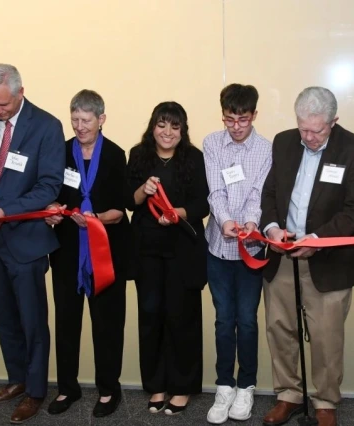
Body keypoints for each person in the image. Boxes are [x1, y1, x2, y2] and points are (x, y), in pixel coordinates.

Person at [260, 87, 354, 426]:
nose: (307, 137)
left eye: (317, 131)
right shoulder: (283, 141)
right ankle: (288, 394)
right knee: (280, 329)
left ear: (333, 122)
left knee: (326, 336)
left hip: (328, 261)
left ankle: (325, 401)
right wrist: (272, 227)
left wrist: (320, 239)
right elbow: (271, 192)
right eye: (303, 128)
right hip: (283, 253)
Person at [0, 63, 65, 423]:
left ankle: (36, 390)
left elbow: (48, 186)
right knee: (4, 316)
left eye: (3, 105)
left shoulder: (47, 126)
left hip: (25, 240)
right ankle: (17, 379)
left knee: (32, 319)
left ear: (20, 92)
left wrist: (5, 211)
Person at [44, 90, 128, 417]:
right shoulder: (61, 152)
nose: (79, 127)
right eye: (74, 119)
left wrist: (95, 219)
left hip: (105, 252)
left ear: (101, 119)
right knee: (66, 321)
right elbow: (50, 194)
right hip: (67, 251)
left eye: (86, 120)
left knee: (106, 324)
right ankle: (68, 388)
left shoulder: (116, 155)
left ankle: (109, 389)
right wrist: (51, 208)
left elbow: (120, 210)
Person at [127, 101, 209, 415]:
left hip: (183, 250)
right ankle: (157, 386)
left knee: (182, 318)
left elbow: (204, 203)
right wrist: (143, 191)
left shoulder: (194, 157)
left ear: (182, 130)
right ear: (153, 126)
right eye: (162, 125)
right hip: (147, 249)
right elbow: (128, 201)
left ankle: (182, 387)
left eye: (175, 126)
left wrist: (178, 214)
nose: (167, 132)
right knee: (150, 318)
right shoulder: (138, 154)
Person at [203, 84, 272, 424]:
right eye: (229, 119)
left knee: (246, 320)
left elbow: (259, 193)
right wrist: (227, 220)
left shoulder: (266, 149)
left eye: (242, 119)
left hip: (251, 248)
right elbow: (215, 189)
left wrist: (248, 223)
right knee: (222, 320)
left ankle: (246, 385)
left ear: (254, 115)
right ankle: (224, 385)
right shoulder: (212, 143)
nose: (236, 126)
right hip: (218, 247)